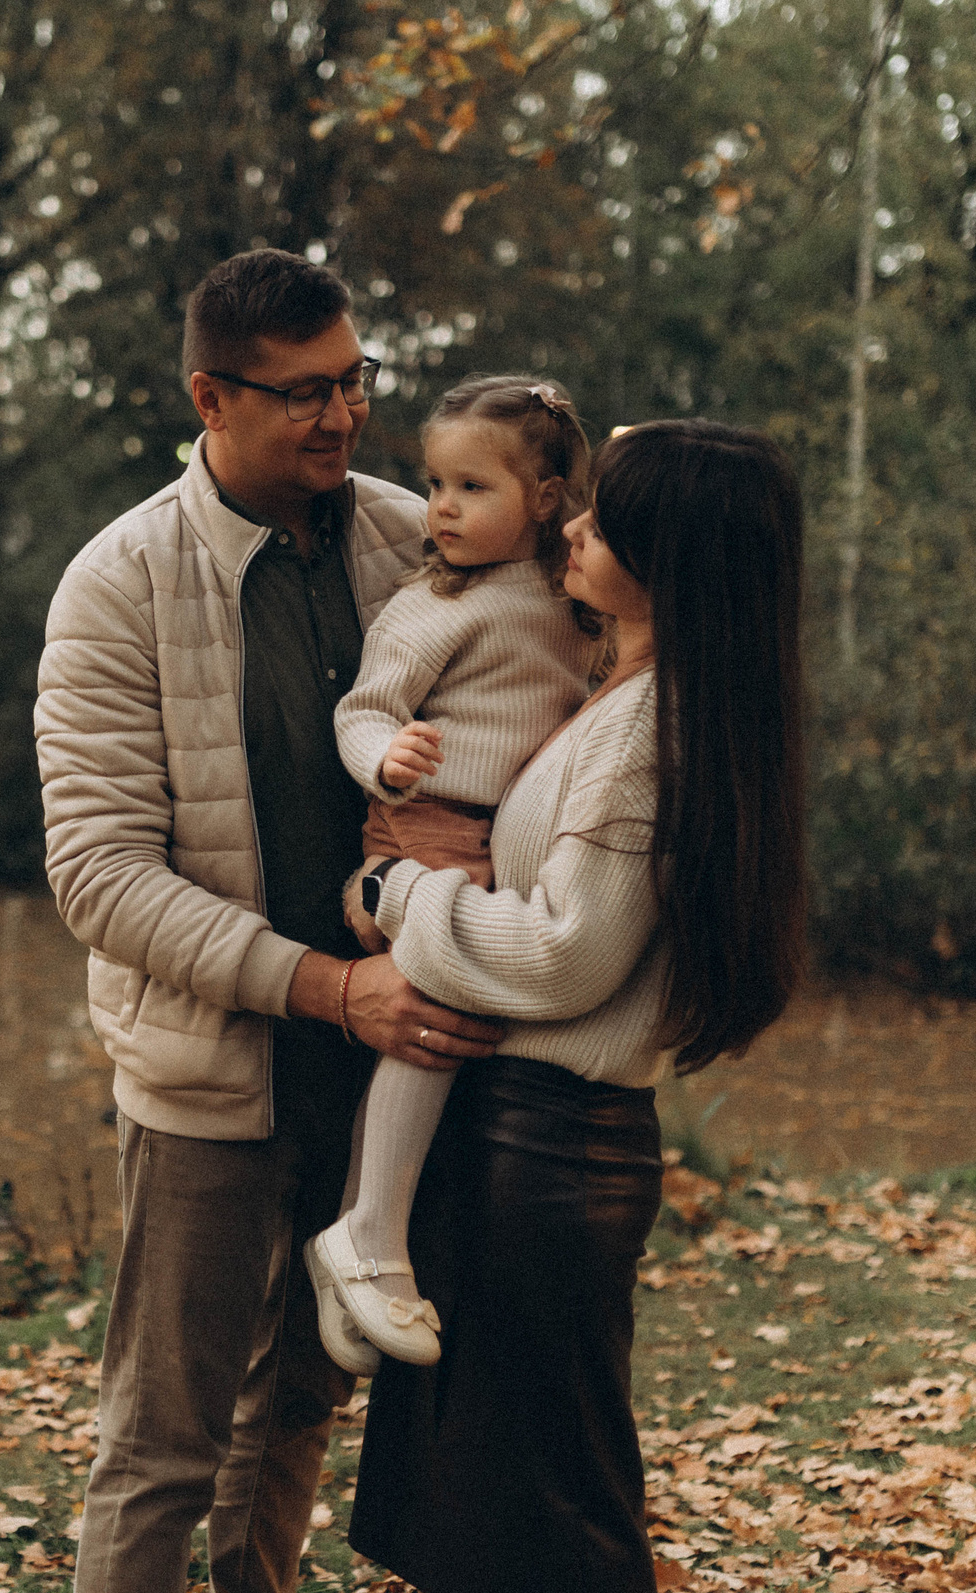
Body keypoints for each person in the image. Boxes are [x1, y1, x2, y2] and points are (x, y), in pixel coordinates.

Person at [35, 249, 503, 1593]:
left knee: (301, 1394)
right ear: (210, 399)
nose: (342, 416)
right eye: (304, 393)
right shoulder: (117, 582)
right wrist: (324, 987)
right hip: (212, 1072)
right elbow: (98, 876)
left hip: (385, 1064)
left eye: (355, 381)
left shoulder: (417, 539)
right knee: (159, 1445)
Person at [346, 420, 809, 1593]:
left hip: (545, 1151)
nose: (574, 529)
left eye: (605, 519)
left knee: (566, 1504)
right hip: (506, 1136)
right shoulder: (617, 690)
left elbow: (562, 958)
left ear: (671, 558)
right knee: (461, 1494)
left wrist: (399, 895)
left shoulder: (650, 731)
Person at [305, 374, 599, 1370]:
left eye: (472, 487)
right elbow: (362, 709)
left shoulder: (572, 596)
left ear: (547, 500)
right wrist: (384, 759)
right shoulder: (433, 604)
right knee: (437, 1015)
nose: (441, 508)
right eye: (435, 484)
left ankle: (361, 1245)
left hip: (509, 838)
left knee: (475, 1016)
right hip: (427, 825)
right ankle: (369, 1234)